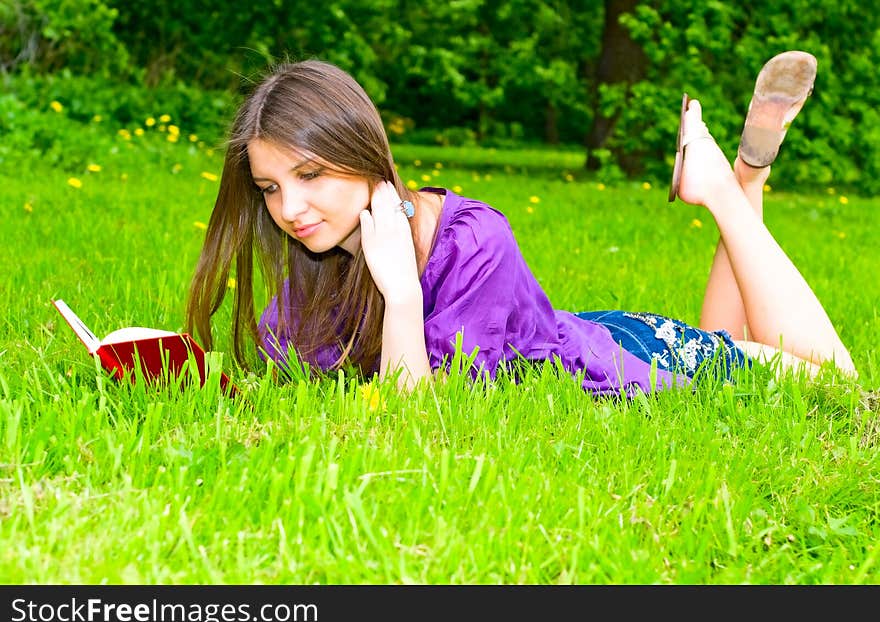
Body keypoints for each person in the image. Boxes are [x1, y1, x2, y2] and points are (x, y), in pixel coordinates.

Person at [185, 53, 857, 399]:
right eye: (270, 188)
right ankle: (742, 175)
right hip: (593, 325)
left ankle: (727, 190)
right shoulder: (308, 269)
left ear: (365, 156)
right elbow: (288, 379)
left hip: (629, 362)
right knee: (726, 341)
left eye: (310, 176)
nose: (290, 209)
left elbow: (415, 421)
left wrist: (402, 293)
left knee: (831, 379)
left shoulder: (473, 239)